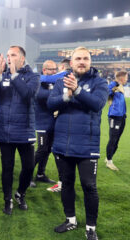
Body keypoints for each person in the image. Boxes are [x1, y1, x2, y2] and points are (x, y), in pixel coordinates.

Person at [47, 47, 108, 240]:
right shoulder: (60, 82)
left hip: (87, 145)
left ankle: (91, 227)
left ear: (90, 62)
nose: (81, 62)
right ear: (71, 63)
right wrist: (67, 96)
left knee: (89, 186)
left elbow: (97, 104)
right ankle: (70, 220)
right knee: (66, 184)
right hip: (62, 143)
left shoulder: (99, 82)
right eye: (78, 59)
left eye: (85, 59)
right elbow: (50, 104)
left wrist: (77, 90)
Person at [0, 46, 39, 215]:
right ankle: (7, 199)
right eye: (8, 55)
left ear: (22, 59)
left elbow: (27, 94)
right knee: (7, 168)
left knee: (29, 167)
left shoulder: (33, 76)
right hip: (5, 131)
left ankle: (20, 193)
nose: (9, 57)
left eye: (13, 55)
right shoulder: (3, 76)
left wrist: (14, 74)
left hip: (25, 130)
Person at [30, 60, 58, 188]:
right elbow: (41, 96)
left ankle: (40, 174)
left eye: (55, 69)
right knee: (41, 150)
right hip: (41, 123)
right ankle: (28, 176)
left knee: (47, 150)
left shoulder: (51, 83)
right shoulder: (39, 82)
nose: (54, 72)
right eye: (51, 69)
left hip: (52, 122)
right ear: (44, 70)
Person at [45, 58, 71, 192]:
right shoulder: (65, 79)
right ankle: (62, 182)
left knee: (57, 152)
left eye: (56, 69)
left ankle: (62, 183)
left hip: (60, 122)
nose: (54, 71)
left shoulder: (64, 77)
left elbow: (45, 79)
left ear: (62, 67)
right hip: (57, 121)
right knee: (53, 150)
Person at [105, 71, 128, 171]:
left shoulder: (120, 86)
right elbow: (107, 92)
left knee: (117, 140)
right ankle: (109, 161)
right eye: (126, 77)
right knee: (113, 139)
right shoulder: (113, 85)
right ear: (122, 78)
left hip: (122, 116)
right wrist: (112, 89)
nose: (127, 79)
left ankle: (108, 158)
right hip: (114, 116)